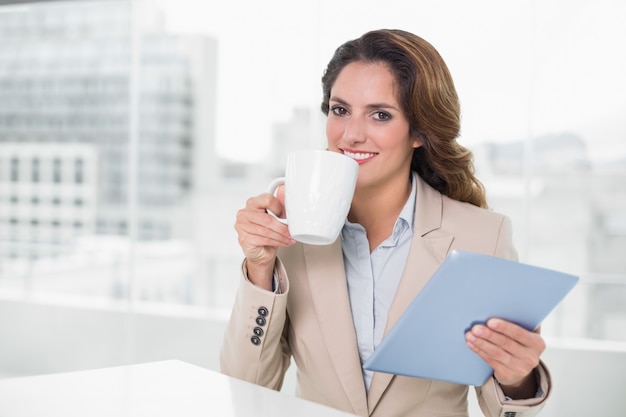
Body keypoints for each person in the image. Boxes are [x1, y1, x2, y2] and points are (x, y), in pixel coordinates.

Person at [220, 29, 551, 417]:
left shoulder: (482, 235)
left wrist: (516, 378)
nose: (351, 134)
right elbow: (245, 388)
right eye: (340, 110)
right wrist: (261, 269)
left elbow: (506, 410)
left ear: (419, 131)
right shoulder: (292, 234)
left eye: (380, 115)